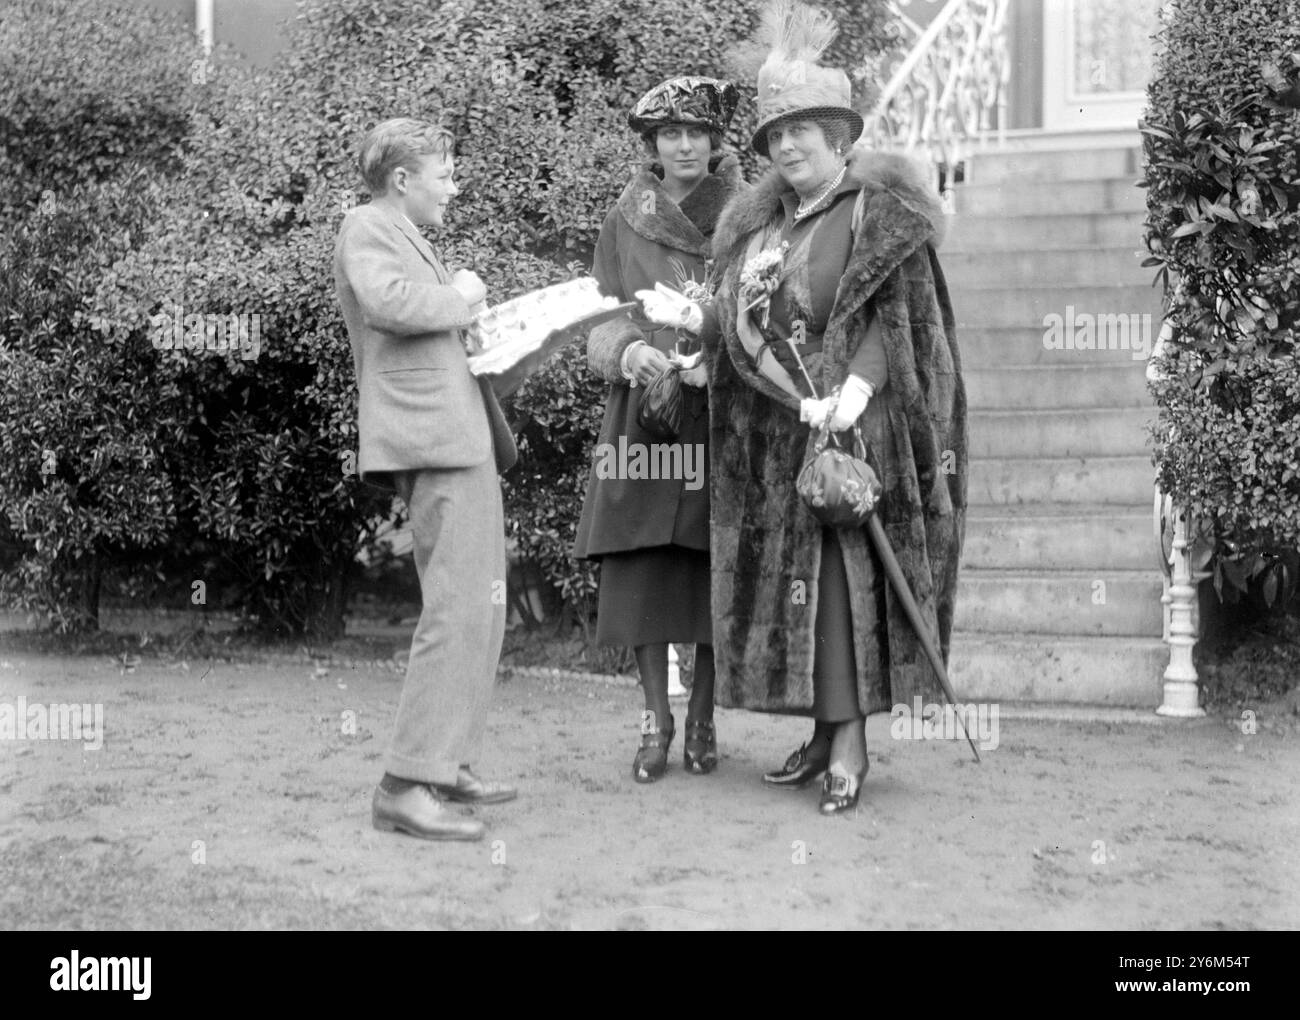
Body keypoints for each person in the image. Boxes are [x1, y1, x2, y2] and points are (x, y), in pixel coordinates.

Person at [640, 2, 967, 814]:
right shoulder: (760, 228)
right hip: (778, 435)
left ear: (840, 137)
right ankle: (821, 734)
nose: (787, 146)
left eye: (803, 131)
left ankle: (851, 742)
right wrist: (698, 322)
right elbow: (747, 320)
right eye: (775, 135)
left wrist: (855, 389)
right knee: (800, 594)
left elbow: (903, 319)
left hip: (858, 433)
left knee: (843, 589)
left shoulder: (879, 217)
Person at [334, 118, 519, 841]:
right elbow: (388, 304)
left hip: (456, 434)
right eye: (444, 173)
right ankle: (405, 785)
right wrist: (465, 295)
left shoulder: (405, 233)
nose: (454, 186)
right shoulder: (365, 225)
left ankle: (448, 762)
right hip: (432, 438)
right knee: (456, 606)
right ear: (403, 178)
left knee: (482, 605)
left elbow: (422, 323)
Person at [573, 76, 743, 782]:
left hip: (719, 412)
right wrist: (626, 349)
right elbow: (597, 309)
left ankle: (702, 716)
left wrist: (720, 351)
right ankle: (655, 719)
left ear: (715, 142)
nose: (683, 145)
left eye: (696, 133)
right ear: (651, 143)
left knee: (712, 562)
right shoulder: (626, 216)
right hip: (643, 413)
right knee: (641, 563)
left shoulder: (747, 212)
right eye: (669, 133)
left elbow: (771, 303)